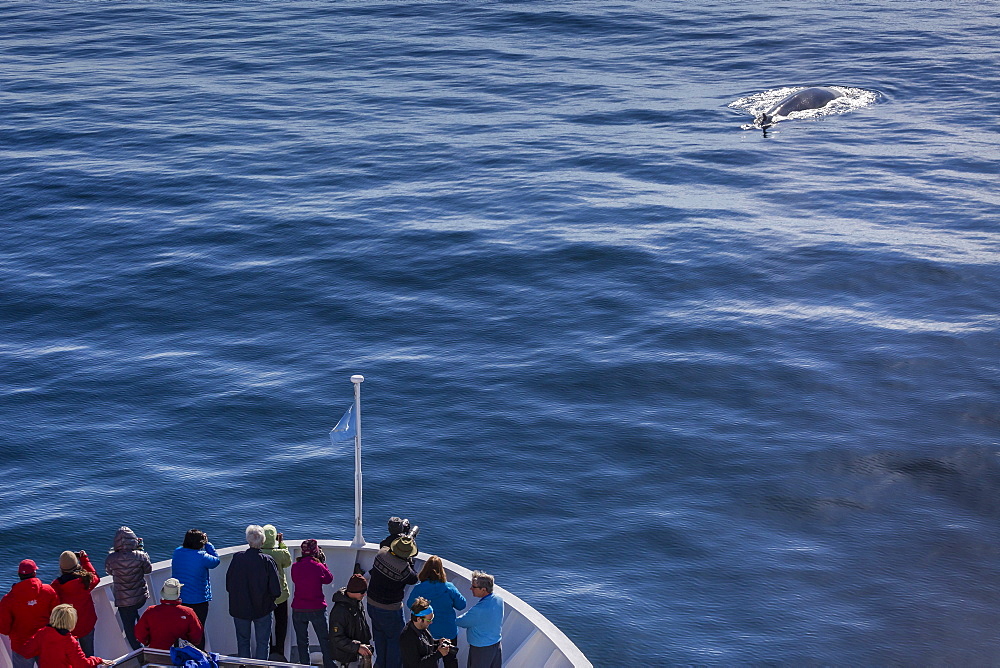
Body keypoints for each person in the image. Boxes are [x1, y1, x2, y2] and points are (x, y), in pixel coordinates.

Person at [226, 524, 281, 660]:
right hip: (262, 609)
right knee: (263, 643)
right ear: (262, 541)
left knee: (243, 641)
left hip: (239, 608)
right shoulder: (267, 560)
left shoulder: (237, 558)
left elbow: (229, 584)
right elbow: (276, 590)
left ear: (248, 540)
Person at [367, 536, 419, 668]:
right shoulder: (403, 569)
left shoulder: (381, 554)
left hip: (371, 603)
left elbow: (384, 545)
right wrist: (410, 561)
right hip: (390, 609)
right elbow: (414, 578)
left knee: (379, 637)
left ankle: (379, 664)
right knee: (395, 641)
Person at [406, 556, 465, 668]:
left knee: (430, 660)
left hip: (428, 632)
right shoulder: (449, 588)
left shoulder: (419, 588)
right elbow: (462, 605)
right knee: (451, 660)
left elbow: (410, 605)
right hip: (448, 631)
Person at [0, 559, 59, 668]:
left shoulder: (8, 600)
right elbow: (58, 616)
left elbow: (4, 629)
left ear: (19, 575)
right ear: (34, 573)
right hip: (45, 642)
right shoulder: (48, 591)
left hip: (21, 646)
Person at [104, 526, 153, 650]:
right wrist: (141, 550)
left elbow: (109, 571)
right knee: (137, 618)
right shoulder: (140, 556)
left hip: (123, 600)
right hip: (140, 597)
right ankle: (146, 643)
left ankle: (139, 651)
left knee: (129, 628)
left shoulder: (111, 558)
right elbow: (148, 570)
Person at [171, 528, 220, 648]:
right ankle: (199, 659)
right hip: (199, 601)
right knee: (197, 630)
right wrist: (208, 544)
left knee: (182, 630)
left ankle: (181, 658)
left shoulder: (177, 552)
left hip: (180, 599)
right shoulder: (202, 556)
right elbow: (216, 561)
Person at [21, 604, 112, 667]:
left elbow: (28, 651)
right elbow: (81, 664)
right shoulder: (69, 641)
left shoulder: (42, 633)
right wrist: (98, 660)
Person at [290, 539, 334, 666]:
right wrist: (323, 563)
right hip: (317, 608)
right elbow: (329, 579)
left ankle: (305, 665)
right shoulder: (318, 566)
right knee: (324, 639)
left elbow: (295, 579)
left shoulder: (295, 566)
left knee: (302, 641)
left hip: (298, 608)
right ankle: (329, 664)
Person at [51, 550, 100, 657]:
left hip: (68, 627)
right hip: (87, 624)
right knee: (89, 656)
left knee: (72, 657)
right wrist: (84, 559)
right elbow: (95, 577)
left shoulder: (57, 586)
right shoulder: (86, 580)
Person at [134, 577, 203, 650]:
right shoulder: (188, 612)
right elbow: (196, 635)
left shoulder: (150, 611)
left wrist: (148, 642)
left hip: (156, 653)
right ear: (178, 593)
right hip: (180, 654)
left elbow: (139, 633)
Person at [455, 572, 503, 668]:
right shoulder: (498, 599)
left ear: (483, 589)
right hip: (496, 645)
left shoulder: (479, 610)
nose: (471, 589)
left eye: (474, 587)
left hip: (481, 650)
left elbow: (461, 622)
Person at [261, 524, 292, 660]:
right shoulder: (280, 553)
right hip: (281, 595)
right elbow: (287, 562)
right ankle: (279, 648)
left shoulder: (259, 553)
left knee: (265, 623)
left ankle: (268, 648)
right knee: (281, 622)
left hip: (264, 595)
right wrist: (281, 544)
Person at [328, 574, 373, 668]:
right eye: (362, 592)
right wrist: (357, 647)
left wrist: (366, 645)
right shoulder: (339, 611)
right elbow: (336, 638)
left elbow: (363, 625)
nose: (364, 594)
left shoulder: (357, 603)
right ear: (354, 591)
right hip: (345, 658)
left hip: (357, 654)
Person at [399, 598, 455, 668]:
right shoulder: (407, 637)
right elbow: (416, 665)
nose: (431, 622)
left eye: (432, 619)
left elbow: (425, 644)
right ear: (419, 619)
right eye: (428, 620)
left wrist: (438, 643)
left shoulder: (422, 627)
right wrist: (438, 654)